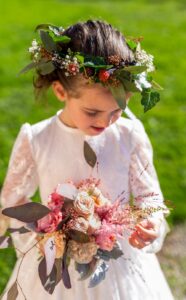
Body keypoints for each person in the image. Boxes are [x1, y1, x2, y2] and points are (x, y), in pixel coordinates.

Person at [0, 20, 174, 299]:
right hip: (58, 267)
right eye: (92, 112)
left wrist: (151, 223)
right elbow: (12, 204)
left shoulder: (128, 135)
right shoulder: (37, 139)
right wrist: (46, 233)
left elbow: (149, 195)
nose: (106, 122)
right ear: (61, 92)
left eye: (117, 111)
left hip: (118, 260)